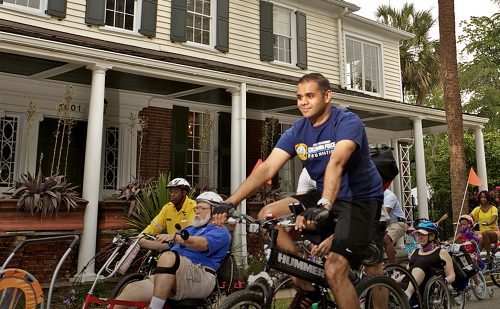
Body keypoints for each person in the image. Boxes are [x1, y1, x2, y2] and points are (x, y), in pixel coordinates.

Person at [212, 73, 383, 309]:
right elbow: (267, 169)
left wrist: (323, 205)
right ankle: (306, 285)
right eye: (299, 97)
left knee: (334, 270)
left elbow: (336, 162)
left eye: (310, 96)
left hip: (360, 201)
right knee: (266, 216)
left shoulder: (346, 121)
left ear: (327, 96)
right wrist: (231, 202)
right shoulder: (298, 130)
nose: (303, 102)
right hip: (324, 195)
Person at [113, 192, 231, 309]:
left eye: (202, 208)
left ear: (215, 211)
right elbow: (164, 244)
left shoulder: (220, 230)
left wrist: (178, 238)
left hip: (200, 277)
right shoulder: (191, 228)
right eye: (196, 207)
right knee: (130, 289)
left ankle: (155, 307)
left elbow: (203, 244)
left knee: (168, 257)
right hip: (172, 274)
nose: (197, 211)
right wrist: (136, 240)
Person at [396, 221, 455, 302]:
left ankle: (407, 294)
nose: (420, 237)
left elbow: (451, 275)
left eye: (423, 234)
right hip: (410, 284)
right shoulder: (414, 252)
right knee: (392, 288)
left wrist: (444, 280)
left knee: (422, 261)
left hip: (429, 286)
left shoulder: (441, 252)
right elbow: (408, 274)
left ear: (432, 236)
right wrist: (393, 281)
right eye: (418, 234)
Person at [471, 190, 499, 263]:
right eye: (481, 197)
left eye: (484, 197)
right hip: (482, 234)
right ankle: (477, 270)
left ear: (488, 198)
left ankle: (488, 256)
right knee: (475, 253)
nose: (483, 199)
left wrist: (489, 223)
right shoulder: (478, 209)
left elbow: (494, 218)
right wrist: (463, 221)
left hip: (494, 232)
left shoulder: (493, 209)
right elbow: (470, 216)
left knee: (485, 233)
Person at [383, 188, 407, 265]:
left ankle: (393, 268)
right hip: (383, 224)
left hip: (397, 223)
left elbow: (385, 212)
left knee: (385, 239)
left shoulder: (389, 196)